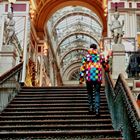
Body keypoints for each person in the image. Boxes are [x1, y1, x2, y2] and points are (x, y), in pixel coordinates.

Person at [79, 43, 110, 117]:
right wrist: (107, 69)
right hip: (97, 77)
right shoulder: (100, 57)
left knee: (89, 92)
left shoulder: (86, 57)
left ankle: (90, 108)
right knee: (97, 93)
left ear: (90, 49)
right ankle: (97, 110)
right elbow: (105, 65)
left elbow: (82, 68)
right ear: (96, 49)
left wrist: (81, 79)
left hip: (89, 77)